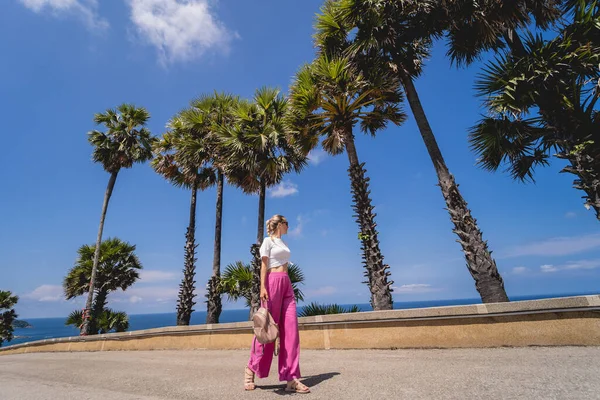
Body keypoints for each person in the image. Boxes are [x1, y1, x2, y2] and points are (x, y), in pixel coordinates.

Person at [244, 214, 310, 394]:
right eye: (287, 223)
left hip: (286, 284)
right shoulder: (268, 241)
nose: (289, 226)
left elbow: (286, 267)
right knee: (267, 329)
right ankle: (251, 369)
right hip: (271, 283)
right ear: (280, 224)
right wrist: (262, 287)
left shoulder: (285, 244)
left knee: (291, 331)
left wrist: (286, 285)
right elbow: (263, 266)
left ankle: (290, 378)